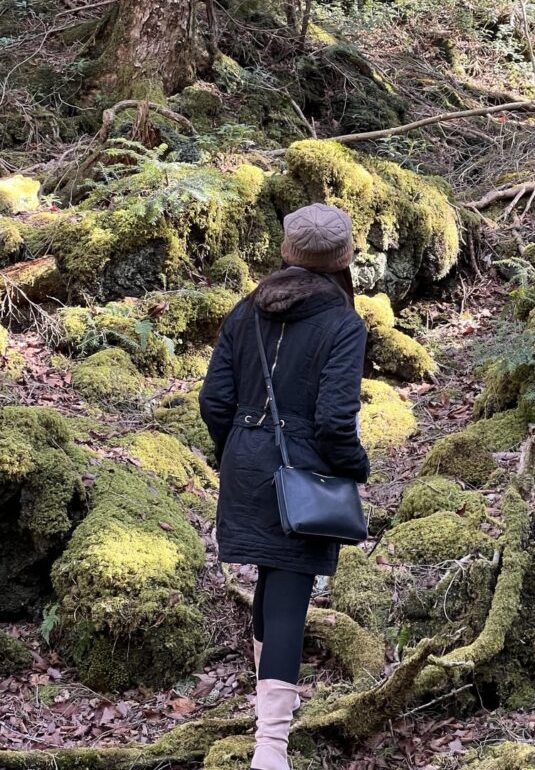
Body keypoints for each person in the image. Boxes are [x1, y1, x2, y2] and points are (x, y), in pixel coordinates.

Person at [199, 203, 370, 770]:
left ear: (288, 252)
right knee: (291, 597)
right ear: (343, 260)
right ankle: (270, 748)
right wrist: (353, 469)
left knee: (273, 584)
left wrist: (240, 454)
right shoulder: (344, 322)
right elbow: (334, 420)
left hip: (245, 463)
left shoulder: (245, 310)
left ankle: (264, 717)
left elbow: (214, 402)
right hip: (303, 469)